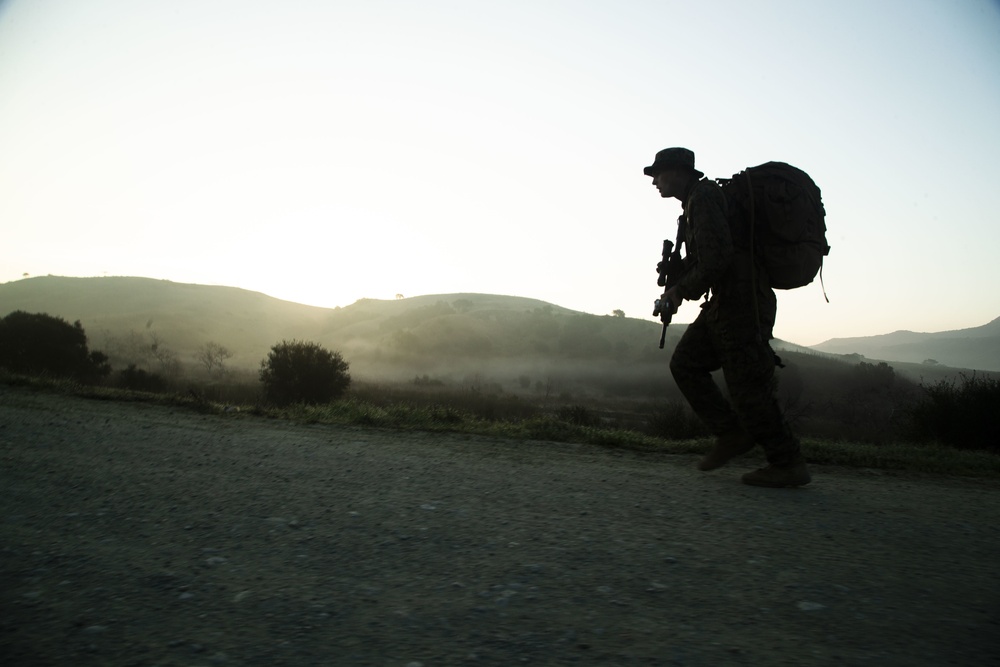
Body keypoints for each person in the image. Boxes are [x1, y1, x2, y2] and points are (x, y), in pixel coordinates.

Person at [644, 147, 810, 487]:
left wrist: (678, 292)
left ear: (677, 171)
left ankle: (787, 462)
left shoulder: (703, 198)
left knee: (748, 387)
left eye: (658, 174)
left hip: (743, 302)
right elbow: (714, 254)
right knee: (687, 363)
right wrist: (678, 274)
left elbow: (717, 259)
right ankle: (732, 435)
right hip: (727, 301)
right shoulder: (694, 204)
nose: (655, 182)